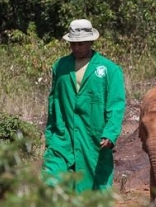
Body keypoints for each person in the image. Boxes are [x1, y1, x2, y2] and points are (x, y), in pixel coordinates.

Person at [42, 19, 126, 192]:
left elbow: (116, 105)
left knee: (93, 186)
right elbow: (54, 101)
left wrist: (110, 133)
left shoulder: (110, 70)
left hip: (93, 138)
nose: (76, 48)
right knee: (51, 181)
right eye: (73, 44)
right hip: (62, 136)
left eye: (80, 44)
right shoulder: (61, 66)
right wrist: (51, 132)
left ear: (90, 41)